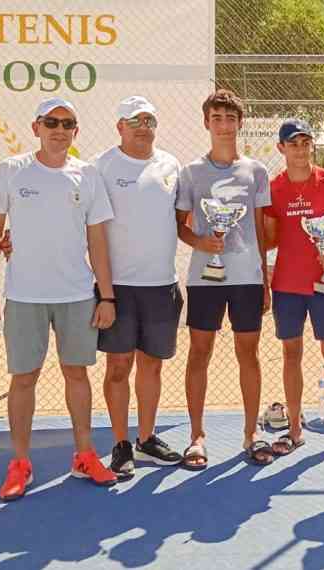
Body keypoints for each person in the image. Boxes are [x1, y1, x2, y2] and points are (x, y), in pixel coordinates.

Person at [0, 97, 118, 501]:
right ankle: (20, 463)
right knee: (24, 379)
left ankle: (85, 454)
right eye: (51, 122)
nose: (59, 130)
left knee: (77, 375)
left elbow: (97, 240)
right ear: (36, 127)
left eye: (67, 123)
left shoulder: (87, 174)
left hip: (76, 295)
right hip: (24, 296)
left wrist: (105, 296)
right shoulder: (11, 170)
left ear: (76, 131)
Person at [175, 89, 274, 468]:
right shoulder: (190, 173)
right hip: (205, 279)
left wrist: (264, 277)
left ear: (240, 123)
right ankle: (196, 436)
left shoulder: (256, 171)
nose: (223, 125)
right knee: (199, 353)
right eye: (216, 118)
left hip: (246, 277)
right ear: (206, 123)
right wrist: (201, 240)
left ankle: (251, 433)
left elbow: (262, 230)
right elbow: (179, 227)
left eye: (230, 118)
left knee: (247, 353)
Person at [91, 96, 185, 479]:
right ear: (120, 127)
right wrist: (106, 293)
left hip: (162, 285)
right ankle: (120, 444)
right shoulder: (101, 167)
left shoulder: (170, 165)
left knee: (152, 366)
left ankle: (146, 438)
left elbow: (182, 219)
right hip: (119, 288)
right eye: (135, 121)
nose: (143, 126)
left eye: (149, 119)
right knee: (118, 367)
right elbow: (87, 226)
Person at [262, 118, 324, 458]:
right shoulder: (273, 188)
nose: (300, 149)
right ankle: (294, 428)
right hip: (287, 285)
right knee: (292, 354)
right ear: (281, 148)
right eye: (293, 143)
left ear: (311, 146)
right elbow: (268, 238)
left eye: (305, 142)